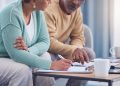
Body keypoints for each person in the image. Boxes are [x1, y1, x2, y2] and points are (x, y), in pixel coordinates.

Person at [0, 0, 72, 86]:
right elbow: (16, 54)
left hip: (13, 56)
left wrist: (29, 51)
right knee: (23, 71)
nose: (51, 1)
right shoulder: (11, 13)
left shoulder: (38, 12)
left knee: (45, 56)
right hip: (3, 58)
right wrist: (50, 65)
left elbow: (45, 42)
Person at [44, 0, 96, 86]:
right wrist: (74, 49)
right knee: (45, 57)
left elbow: (78, 36)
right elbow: (48, 42)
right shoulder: (49, 8)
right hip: (48, 51)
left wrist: (78, 50)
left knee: (89, 54)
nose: (76, 2)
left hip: (62, 51)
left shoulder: (77, 11)